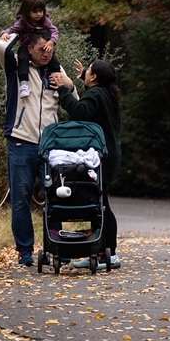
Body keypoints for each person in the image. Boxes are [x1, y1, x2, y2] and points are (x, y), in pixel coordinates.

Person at [0, 29, 78, 266]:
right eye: (41, 49)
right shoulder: (15, 68)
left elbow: (77, 101)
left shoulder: (55, 70)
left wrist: (67, 83)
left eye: (50, 49)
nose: (46, 53)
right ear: (29, 48)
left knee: (56, 197)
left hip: (51, 146)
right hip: (21, 142)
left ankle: (57, 249)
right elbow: (0, 48)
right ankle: (25, 252)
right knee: (21, 199)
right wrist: (13, 32)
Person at [49, 60, 123, 270]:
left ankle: (107, 253)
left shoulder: (97, 94)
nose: (85, 72)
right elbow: (92, 104)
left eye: (88, 70)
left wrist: (63, 90)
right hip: (109, 154)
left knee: (101, 205)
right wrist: (82, 77)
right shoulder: (107, 93)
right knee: (102, 202)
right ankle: (101, 251)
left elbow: (80, 111)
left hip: (101, 155)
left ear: (95, 77)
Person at [0, 0, 62, 98]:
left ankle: (57, 84)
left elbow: (54, 31)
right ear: (27, 11)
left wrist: (51, 42)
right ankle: (24, 84)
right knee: (22, 60)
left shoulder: (45, 20)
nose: (38, 14)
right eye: (35, 11)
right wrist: (4, 33)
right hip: (26, 46)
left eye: (40, 11)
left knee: (54, 62)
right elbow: (11, 30)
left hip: (43, 46)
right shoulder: (22, 22)